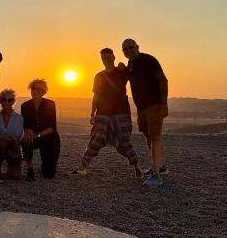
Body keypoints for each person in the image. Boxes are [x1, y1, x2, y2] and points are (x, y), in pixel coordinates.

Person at [70, 48, 143, 177]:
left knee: (124, 141)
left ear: (114, 57)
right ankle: (82, 167)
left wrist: (124, 66)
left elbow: (135, 75)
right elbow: (96, 96)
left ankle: (137, 168)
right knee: (96, 139)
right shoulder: (99, 76)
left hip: (121, 113)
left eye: (109, 57)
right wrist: (92, 113)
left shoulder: (121, 71)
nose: (106, 60)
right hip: (103, 113)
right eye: (104, 58)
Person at [122, 38, 169, 188]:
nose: (129, 51)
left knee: (155, 137)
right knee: (148, 135)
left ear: (137, 47)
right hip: (141, 108)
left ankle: (156, 175)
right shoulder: (131, 65)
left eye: (131, 47)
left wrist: (164, 104)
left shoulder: (149, 60)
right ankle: (159, 166)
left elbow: (163, 80)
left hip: (154, 105)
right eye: (125, 49)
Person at [21, 79, 60, 180]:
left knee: (49, 174)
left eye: (39, 89)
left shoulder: (50, 104)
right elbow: (24, 124)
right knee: (26, 139)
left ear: (44, 91)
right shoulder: (25, 106)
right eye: (33, 88)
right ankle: (30, 168)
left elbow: (52, 127)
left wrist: (38, 135)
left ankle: (46, 165)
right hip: (32, 136)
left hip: (49, 137)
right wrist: (27, 131)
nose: (35, 91)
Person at [0, 88, 23, 181]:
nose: (7, 102)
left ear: (13, 102)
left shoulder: (20, 118)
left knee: (16, 176)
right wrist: (9, 137)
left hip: (13, 148)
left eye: (10, 100)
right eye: (4, 99)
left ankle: (10, 167)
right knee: (2, 144)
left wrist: (1, 137)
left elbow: (17, 138)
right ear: (0, 101)